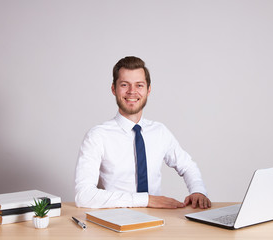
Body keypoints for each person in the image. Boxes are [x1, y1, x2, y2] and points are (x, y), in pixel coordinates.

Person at [75, 56, 211, 209]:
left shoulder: (159, 132)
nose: (132, 92)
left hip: (156, 221)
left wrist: (198, 190)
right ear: (114, 89)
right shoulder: (97, 136)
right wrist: (146, 200)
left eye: (139, 85)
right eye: (124, 85)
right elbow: (84, 196)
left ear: (148, 89)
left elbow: (187, 166)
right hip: (113, 222)